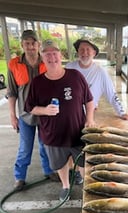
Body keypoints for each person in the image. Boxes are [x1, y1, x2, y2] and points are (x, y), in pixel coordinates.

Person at [25, 39, 95, 201]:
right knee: (60, 164)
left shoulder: (75, 76)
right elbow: (30, 107)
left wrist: (89, 119)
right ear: (42, 57)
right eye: (47, 54)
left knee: (85, 162)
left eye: (54, 53)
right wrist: (44, 110)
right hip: (52, 135)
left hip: (78, 132)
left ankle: (86, 186)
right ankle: (65, 186)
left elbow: (89, 101)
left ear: (60, 54)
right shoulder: (37, 82)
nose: (52, 57)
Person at [7, 30, 58, 190]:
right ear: (22, 45)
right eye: (27, 43)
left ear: (39, 45)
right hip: (25, 115)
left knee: (45, 145)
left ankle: (48, 171)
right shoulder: (14, 64)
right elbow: (12, 92)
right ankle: (20, 177)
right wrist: (12, 115)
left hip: (44, 114)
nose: (31, 47)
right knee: (25, 147)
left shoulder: (47, 61)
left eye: (33, 43)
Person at [65, 39, 128, 120]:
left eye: (88, 49)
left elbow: (112, 94)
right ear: (77, 52)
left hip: (89, 112)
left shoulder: (100, 71)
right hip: (70, 110)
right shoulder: (69, 67)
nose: (84, 52)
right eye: (81, 49)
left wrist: (122, 112)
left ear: (94, 53)